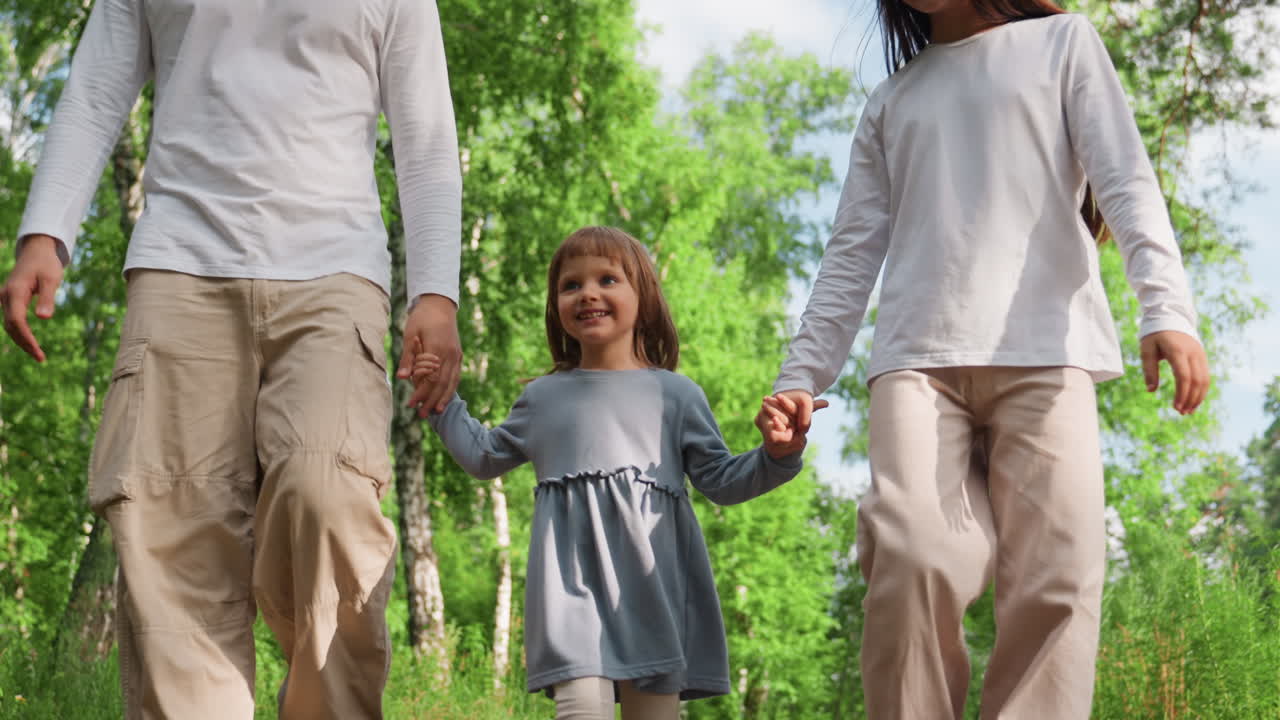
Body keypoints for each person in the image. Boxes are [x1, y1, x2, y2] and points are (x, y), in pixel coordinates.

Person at [0, 0, 463, 717]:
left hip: (335, 270)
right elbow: (96, 88)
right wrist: (45, 233)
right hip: (180, 263)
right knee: (170, 527)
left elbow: (426, 133)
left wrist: (436, 291)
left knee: (327, 494)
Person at [767, 2, 1210, 718]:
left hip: (1047, 352)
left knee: (1057, 580)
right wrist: (800, 378)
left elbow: (1125, 178)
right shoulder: (892, 101)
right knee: (912, 555)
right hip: (916, 363)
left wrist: (1166, 308)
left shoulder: (1063, 42)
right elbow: (850, 254)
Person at [410, 226, 816, 720]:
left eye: (607, 278)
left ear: (643, 298)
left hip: (653, 597)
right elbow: (482, 456)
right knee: (580, 709)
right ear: (556, 305)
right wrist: (441, 401)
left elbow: (723, 481)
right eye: (571, 285)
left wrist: (778, 453)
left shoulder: (677, 395)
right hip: (569, 600)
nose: (589, 294)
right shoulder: (543, 398)